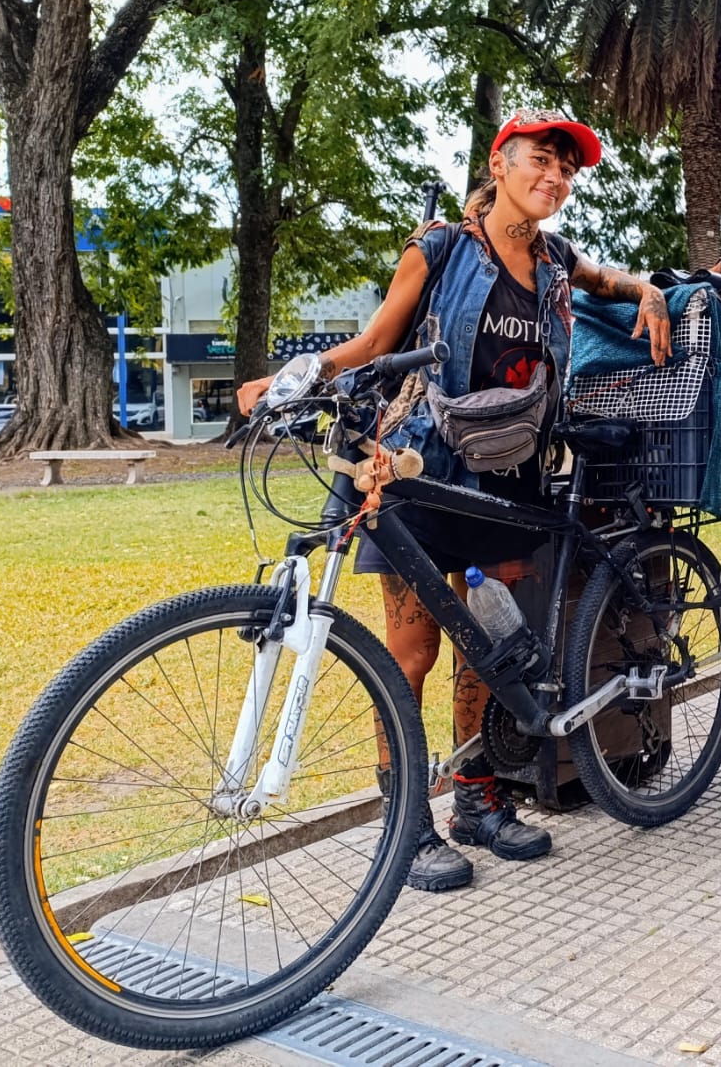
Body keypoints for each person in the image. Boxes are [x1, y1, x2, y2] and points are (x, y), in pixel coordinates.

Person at [238, 107, 672, 892]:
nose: (556, 177)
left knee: (489, 649)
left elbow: (609, 280)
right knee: (411, 654)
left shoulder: (554, 259)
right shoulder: (438, 248)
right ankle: (406, 823)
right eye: (541, 160)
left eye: (567, 169)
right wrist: (292, 380)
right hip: (423, 472)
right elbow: (374, 344)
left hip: (510, 482)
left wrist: (651, 294)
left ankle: (477, 798)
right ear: (500, 165)